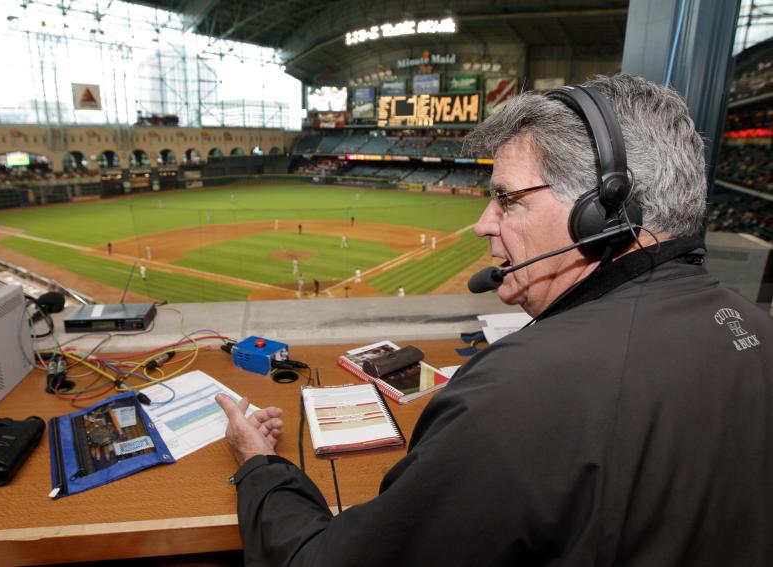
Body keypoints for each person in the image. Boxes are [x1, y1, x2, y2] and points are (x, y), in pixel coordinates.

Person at [215, 74, 773, 566]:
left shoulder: (522, 390)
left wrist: (261, 466)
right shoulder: (757, 329)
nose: (484, 223)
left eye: (507, 199)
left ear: (600, 212)